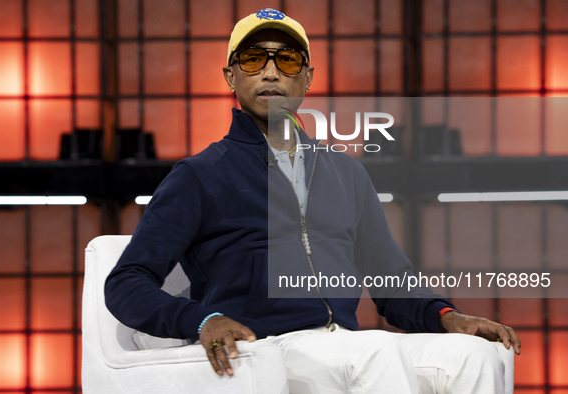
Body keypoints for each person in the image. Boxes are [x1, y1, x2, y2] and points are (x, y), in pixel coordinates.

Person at [105, 8, 521, 393]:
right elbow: (126, 283)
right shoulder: (199, 175)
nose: (270, 72)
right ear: (231, 76)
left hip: (341, 343)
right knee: (378, 351)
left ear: (306, 79)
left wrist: (448, 317)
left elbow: (389, 280)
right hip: (263, 347)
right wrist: (203, 320)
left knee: (479, 355)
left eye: (286, 60)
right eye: (252, 59)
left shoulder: (346, 172)